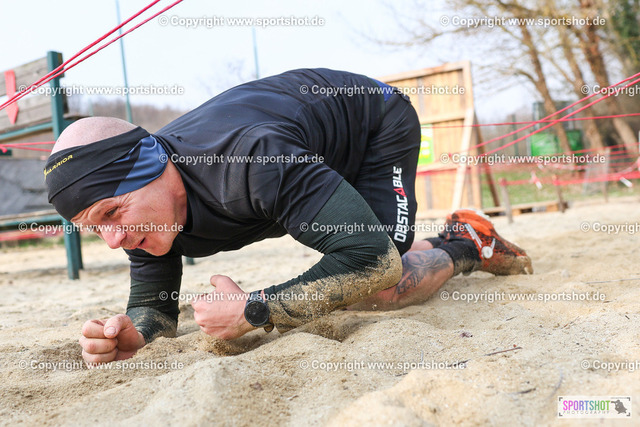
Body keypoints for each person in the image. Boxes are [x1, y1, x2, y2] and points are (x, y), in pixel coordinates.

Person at [43, 68, 532, 365]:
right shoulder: (144, 220)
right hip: (301, 143)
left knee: (381, 283)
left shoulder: (250, 162)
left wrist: (254, 309)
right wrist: (137, 332)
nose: (113, 239)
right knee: (360, 267)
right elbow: (154, 307)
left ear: (152, 167)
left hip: (372, 123)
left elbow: (372, 261)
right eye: (94, 228)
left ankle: (467, 242)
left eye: (112, 213)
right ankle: (453, 237)